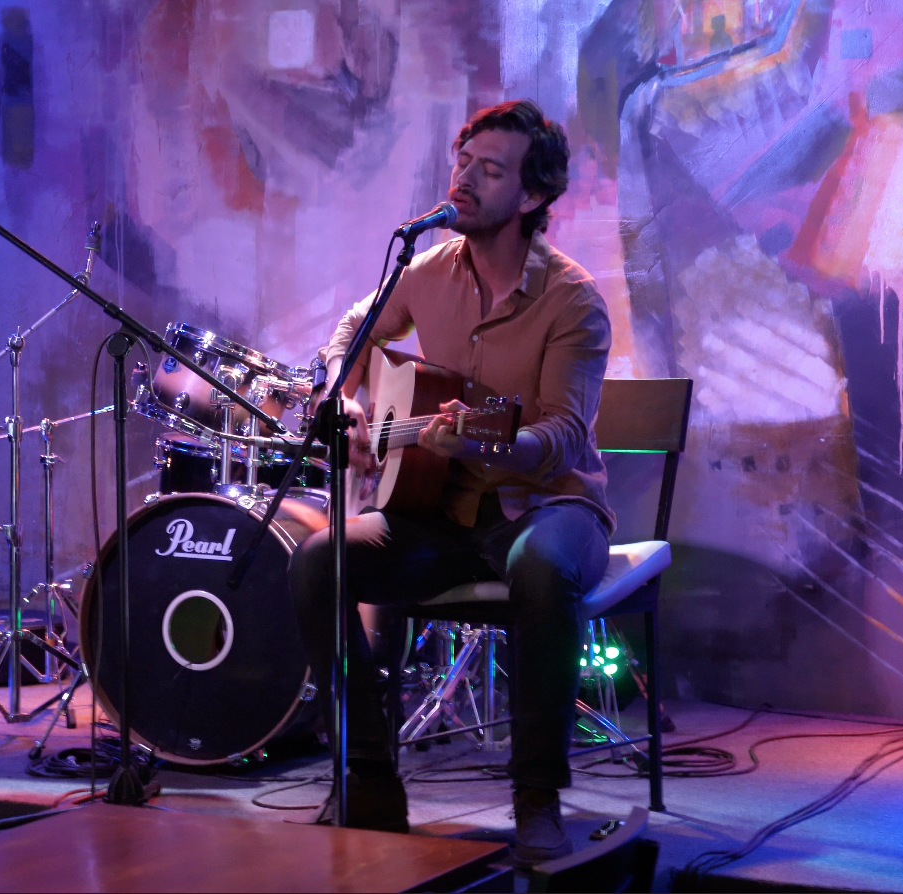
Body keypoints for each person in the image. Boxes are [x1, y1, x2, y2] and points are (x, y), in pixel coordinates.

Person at [288, 99, 614, 865]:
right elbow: (351, 333)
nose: (463, 180)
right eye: (461, 162)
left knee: (540, 565)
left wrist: (485, 443)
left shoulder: (573, 300)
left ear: (532, 196)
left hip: (549, 506)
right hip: (439, 513)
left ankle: (536, 798)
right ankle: (369, 779)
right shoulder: (426, 271)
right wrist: (343, 396)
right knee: (317, 561)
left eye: (489, 170)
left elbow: (562, 437)